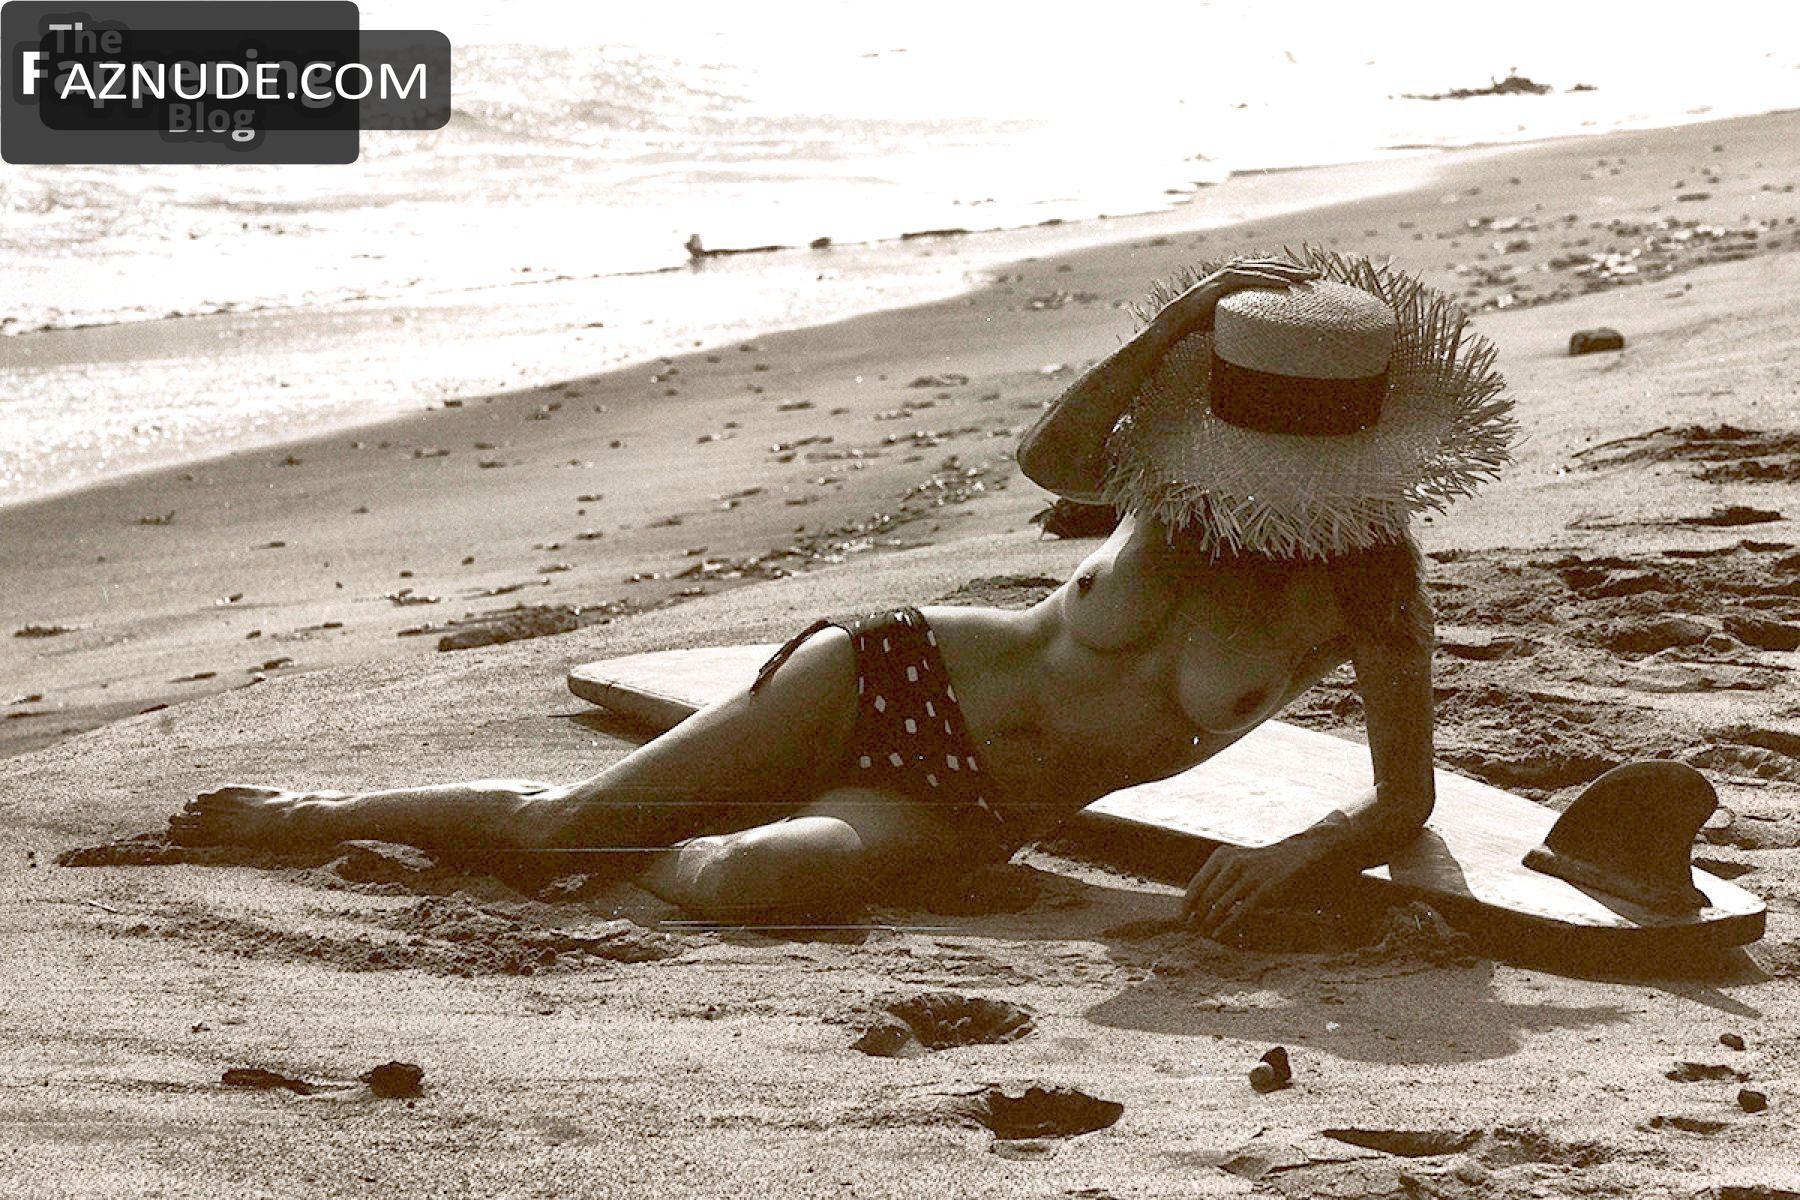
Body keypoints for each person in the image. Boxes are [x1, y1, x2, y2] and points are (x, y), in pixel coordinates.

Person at [169, 248, 1515, 938]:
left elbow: (1404, 796)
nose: (1262, 475)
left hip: (976, 805)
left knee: (758, 880)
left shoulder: (1371, 583)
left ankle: (668, 826)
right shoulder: (1174, 475)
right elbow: (1051, 461)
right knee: (555, 831)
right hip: (896, 670)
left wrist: (1302, 848)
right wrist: (1169, 330)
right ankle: (307, 814)